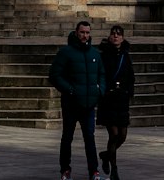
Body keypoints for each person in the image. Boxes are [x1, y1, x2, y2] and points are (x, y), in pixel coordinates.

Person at [49, 17, 105, 180]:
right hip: (71, 103)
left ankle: (94, 171)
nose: (85, 36)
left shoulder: (95, 54)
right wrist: (69, 89)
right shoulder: (66, 52)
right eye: (82, 32)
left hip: (88, 104)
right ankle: (65, 169)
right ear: (76, 33)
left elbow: (101, 74)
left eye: (87, 33)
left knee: (90, 138)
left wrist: (99, 90)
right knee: (67, 137)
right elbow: (54, 75)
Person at [98, 22, 135, 176]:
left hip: (122, 99)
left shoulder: (126, 55)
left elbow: (131, 76)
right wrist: (103, 92)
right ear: (109, 36)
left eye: (118, 34)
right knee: (113, 134)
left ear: (122, 38)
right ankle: (114, 169)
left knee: (122, 135)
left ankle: (106, 155)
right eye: (113, 33)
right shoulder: (103, 54)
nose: (115, 36)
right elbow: (100, 75)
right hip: (108, 99)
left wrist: (128, 92)